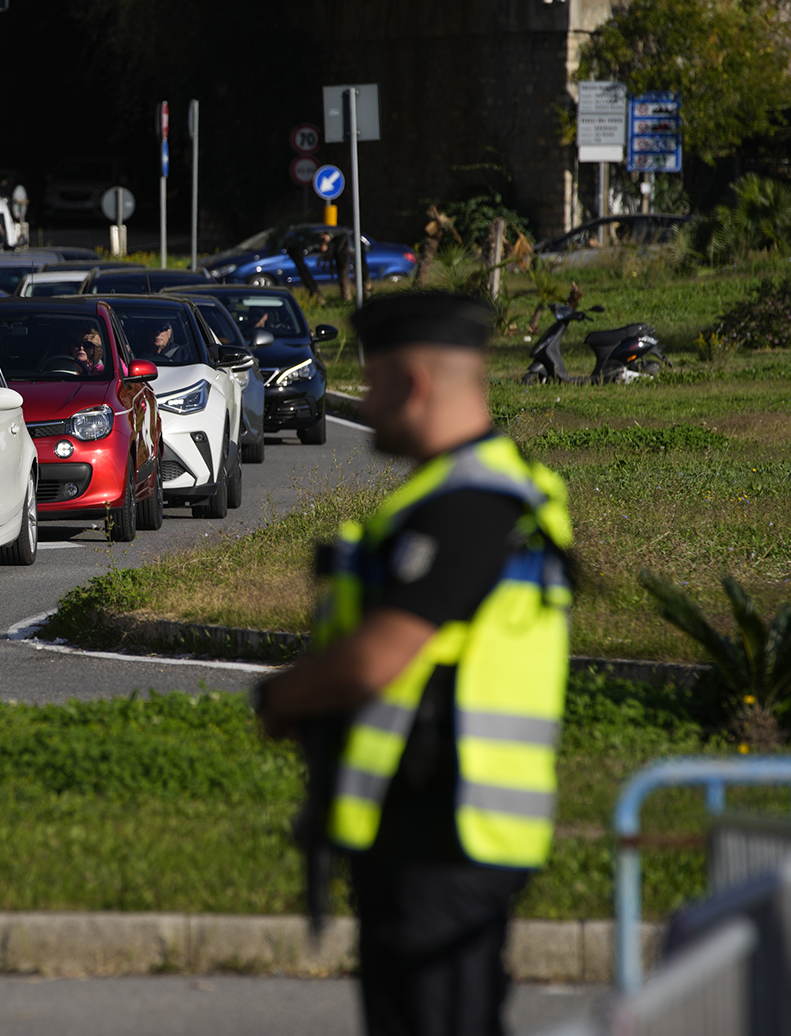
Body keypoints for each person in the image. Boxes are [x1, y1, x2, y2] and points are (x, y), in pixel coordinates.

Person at [252, 292, 573, 1036]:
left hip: (449, 835)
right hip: (433, 832)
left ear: (415, 386)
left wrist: (280, 699)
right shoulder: (462, 492)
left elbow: (380, 656)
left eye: (374, 382)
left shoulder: (471, 505)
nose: (364, 402)